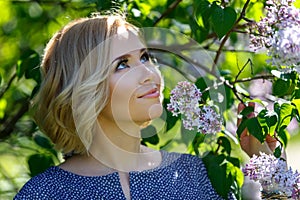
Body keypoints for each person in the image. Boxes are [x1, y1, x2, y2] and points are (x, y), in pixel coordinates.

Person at [14, 13, 278, 200]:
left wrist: (268, 166)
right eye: (122, 64)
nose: (149, 73)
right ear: (84, 87)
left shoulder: (195, 174)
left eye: (145, 57)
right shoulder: (44, 193)